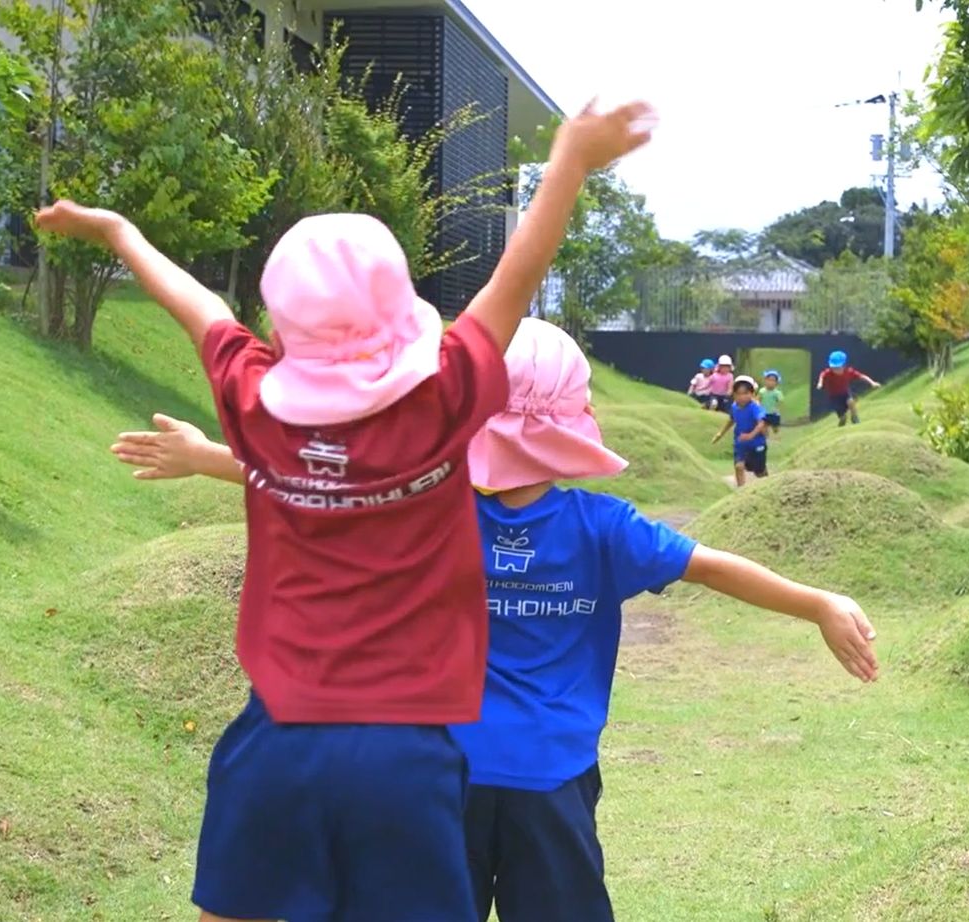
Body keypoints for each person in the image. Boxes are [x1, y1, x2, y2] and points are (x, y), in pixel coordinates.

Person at [47, 99, 656, 922]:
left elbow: (200, 309)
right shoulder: (442, 400)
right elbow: (516, 274)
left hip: (275, 740)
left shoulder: (256, 401)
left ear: (282, 320)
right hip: (405, 755)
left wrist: (121, 233)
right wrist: (569, 162)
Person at [112, 319, 879, 922]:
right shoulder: (604, 527)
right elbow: (713, 565)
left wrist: (207, 454)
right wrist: (817, 603)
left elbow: (309, 479)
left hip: (434, 778)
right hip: (551, 784)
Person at [712, 375, 769, 486]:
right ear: (734, 394)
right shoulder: (734, 407)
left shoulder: (755, 408)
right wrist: (720, 434)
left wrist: (751, 435)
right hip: (741, 443)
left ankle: (768, 485)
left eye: (745, 393)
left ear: (752, 394)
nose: (742, 397)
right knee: (739, 466)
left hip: (756, 443)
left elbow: (761, 423)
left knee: (759, 472)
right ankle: (741, 491)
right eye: (738, 393)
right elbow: (732, 419)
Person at [816, 350, 880, 427]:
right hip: (834, 397)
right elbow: (822, 375)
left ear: (844, 365)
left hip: (845, 393)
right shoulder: (828, 373)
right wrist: (820, 383)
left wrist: (872, 383)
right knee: (842, 416)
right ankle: (842, 420)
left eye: (838, 367)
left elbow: (862, 376)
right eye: (833, 368)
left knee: (850, 401)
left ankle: (854, 417)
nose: (835, 370)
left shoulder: (849, 371)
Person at [758, 369, 784, 433]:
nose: (771, 382)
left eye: (773, 381)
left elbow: (780, 402)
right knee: (764, 427)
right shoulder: (762, 391)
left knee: (775, 428)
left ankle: (776, 432)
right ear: (765, 381)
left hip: (774, 413)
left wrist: (778, 409)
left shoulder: (777, 393)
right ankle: (765, 436)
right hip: (764, 413)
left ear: (776, 383)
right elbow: (758, 399)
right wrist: (758, 406)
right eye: (769, 380)